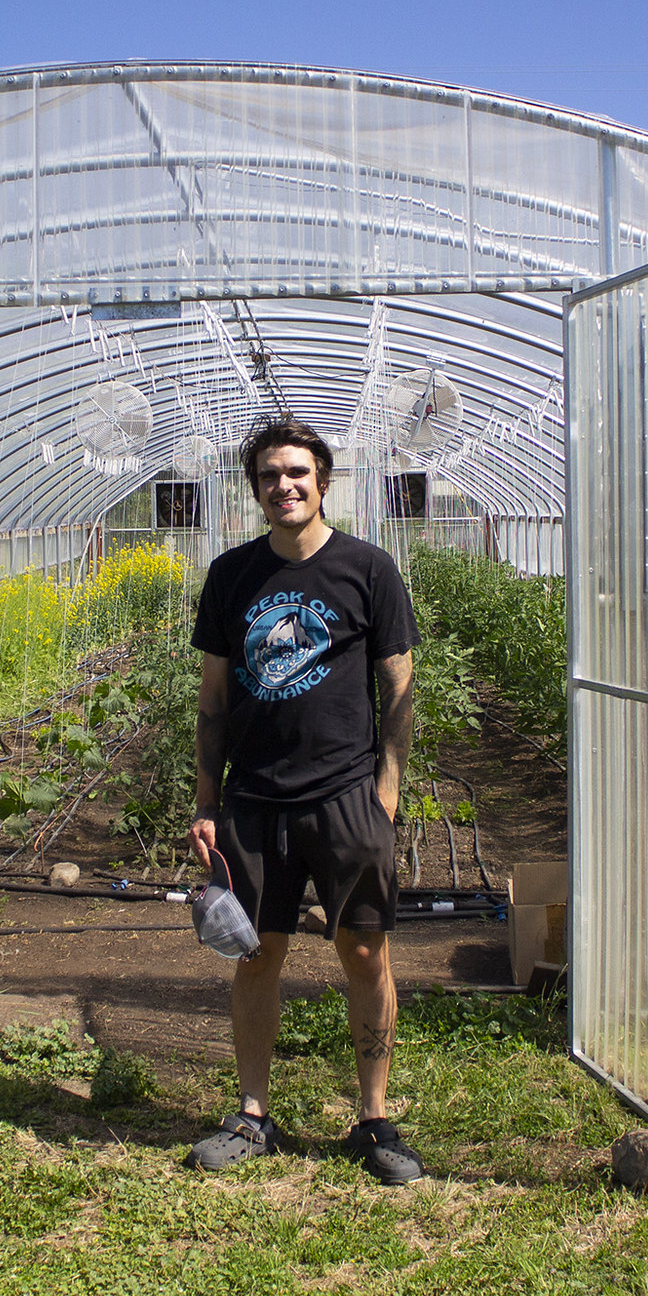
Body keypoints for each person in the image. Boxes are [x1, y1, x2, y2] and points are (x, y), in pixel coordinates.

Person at [183, 418, 423, 1185]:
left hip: (347, 797)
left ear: (322, 481)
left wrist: (385, 791)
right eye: (267, 476)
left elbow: (400, 687)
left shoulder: (368, 569)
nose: (283, 486)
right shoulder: (231, 576)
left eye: (296, 473)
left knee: (364, 951)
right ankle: (254, 1115)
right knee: (256, 955)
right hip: (254, 802)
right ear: (254, 488)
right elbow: (213, 701)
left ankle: (376, 1119)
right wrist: (205, 801)